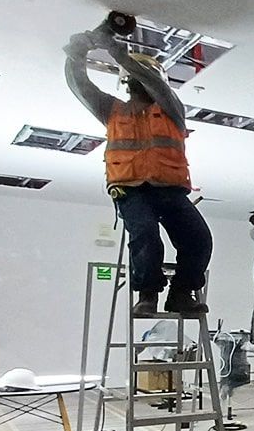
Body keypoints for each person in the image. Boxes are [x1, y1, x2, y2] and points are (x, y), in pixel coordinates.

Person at [64, 27, 212, 317]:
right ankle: (147, 295)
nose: (139, 82)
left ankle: (181, 293)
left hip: (169, 189)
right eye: (134, 77)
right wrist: (76, 55)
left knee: (198, 238)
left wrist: (119, 53)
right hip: (131, 189)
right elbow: (80, 86)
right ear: (127, 82)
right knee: (145, 233)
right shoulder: (112, 110)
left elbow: (157, 86)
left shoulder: (172, 109)